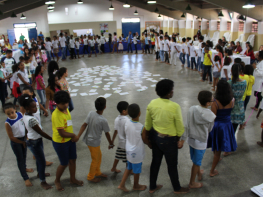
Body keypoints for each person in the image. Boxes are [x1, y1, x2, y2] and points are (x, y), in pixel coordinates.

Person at [142, 79, 189, 194]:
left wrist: (148, 141)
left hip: (156, 139)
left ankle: (152, 187)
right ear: (168, 93)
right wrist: (179, 139)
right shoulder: (174, 106)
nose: (173, 91)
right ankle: (177, 188)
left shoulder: (152, 103)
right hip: (170, 141)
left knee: (155, 163)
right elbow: (179, 127)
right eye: (172, 90)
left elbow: (147, 125)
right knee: (172, 165)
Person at [179, 91, 215, 189]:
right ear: (208, 103)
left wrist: (182, 138)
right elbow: (210, 129)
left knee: (195, 160)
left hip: (191, 139)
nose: (213, 101)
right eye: (212, 100)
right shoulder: (211, 115)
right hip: (201, 142)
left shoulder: (192, 109)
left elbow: (186, 125)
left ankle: (199, 173)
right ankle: (192, 182)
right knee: (196, 162)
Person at [51, 91, 84, 191]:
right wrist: (74, 135)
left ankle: (72, 179)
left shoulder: (66, 109)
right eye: (63, 104)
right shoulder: (57, 115)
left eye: (67, 103)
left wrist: (72, 137)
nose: (66, 105)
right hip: (61, 142)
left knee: (73, 160)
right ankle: (57, 180)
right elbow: (62, 133)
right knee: (64, 163)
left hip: (69, 140)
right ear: (57, 103)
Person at [19, 94, 53, 190]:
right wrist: (52, 139)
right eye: (33, 107)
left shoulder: (26, 115)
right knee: (42, 161)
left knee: (39, 159)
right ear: (27, 108)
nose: (36, 108)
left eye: (36, 106)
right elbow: (41, 132)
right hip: (35, 142)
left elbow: (26, 129)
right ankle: (43, 181)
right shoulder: (31, 120)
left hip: (34, 140)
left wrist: (26, 137)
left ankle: (39, 173)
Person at [77, 97, 114, 183]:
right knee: (95, 159)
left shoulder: (91, 113)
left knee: (99, 155)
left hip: (89, 140)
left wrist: (78, 136)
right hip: (94, 142)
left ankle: (97, 172)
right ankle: (90, 176)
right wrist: (111, 143)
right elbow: (107, 133)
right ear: (105, 107)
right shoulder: (103, 120)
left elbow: (84, 125)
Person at [207, 79, 237, 175]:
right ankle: (217, 158)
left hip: (217, 126)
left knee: (216, 147)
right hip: (227, 125)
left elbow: (213, 117)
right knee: (219, 148)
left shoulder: (215, 102)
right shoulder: (232, 100)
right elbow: (230, 111)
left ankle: (212, 171)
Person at [118, 103, 147, 192]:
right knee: (137, 170)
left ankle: (122, 185)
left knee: (129, 167)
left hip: (128, 149)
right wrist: (150, 144)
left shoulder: (127, 122)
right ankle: (136, 185)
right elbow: (145, 139)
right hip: (136, 152)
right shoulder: (141, 127)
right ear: (140, 113)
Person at [4, 103, 34, 187]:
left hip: (23, 139)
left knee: (24, 156)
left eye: (12, 112)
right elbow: (11, 137)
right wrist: (22, 142)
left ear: (15, 110)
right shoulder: (8, 123)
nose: (10, 115)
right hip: (16, 142)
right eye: (8, 114)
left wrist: (26, 136)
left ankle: (24, 168)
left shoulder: (20, 115)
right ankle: (25, 178)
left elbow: (24, 125)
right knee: (20, 159)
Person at [111, 101, 129, 173]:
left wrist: (112, 141)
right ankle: (129, 170)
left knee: (118, 156)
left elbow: (115, 131)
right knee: (128, 158)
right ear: (124, 111)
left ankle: (113, 168)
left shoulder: (117, 119)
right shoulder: (127, 120)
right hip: (126, 143)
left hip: (120, 142)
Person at [229, 64, 247, 133]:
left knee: (229, 131)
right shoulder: (244, 82)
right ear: (240, 71)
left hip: (230, 107)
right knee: (234, 129)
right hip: (239, 107)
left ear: (231, 71)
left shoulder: (229, 83)